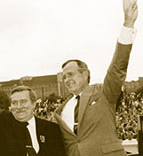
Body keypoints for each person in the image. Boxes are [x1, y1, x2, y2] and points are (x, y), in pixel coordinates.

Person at [54, 0, 138, 155]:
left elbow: (117, 69)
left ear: (85, 73)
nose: (67, 80)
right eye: (64, 77)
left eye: (70, 74)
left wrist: (128, 25)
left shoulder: (103, 92)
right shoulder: (60, 110)